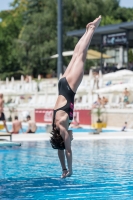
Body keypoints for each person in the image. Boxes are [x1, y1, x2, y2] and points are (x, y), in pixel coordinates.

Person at [50, 16, 102, 178]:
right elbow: (60, 151)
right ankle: (88, 30)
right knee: (76, 54)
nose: (72, 139)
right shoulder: (55, 126)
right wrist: (63, 169)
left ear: (64, 138)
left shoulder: (63, 129)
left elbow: (67, 151)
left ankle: (92, 29)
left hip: (69, 87)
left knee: (82, 55)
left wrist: (70, 170)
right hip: (62, 85)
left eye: (69, 140)